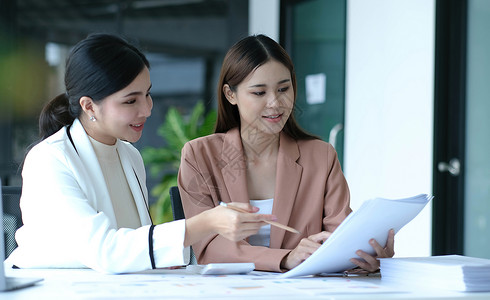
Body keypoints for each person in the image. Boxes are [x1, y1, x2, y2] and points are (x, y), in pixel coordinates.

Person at [6, 33, 275, 274]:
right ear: (89, 106)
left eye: (147, 94)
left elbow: (136, 244)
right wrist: (206, 222)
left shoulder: (129, 155)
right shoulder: (49, 160)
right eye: (130, 101)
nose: (147, 109)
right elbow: (106, 251)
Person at [178, 34, 395, 272]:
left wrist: (365, 256)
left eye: (283, 88)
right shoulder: (200, 155)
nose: (275, 103)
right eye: (259, 93)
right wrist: (285, 258)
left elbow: (339, 238)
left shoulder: (321, 156)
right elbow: (208, 248)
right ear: (231, 95)